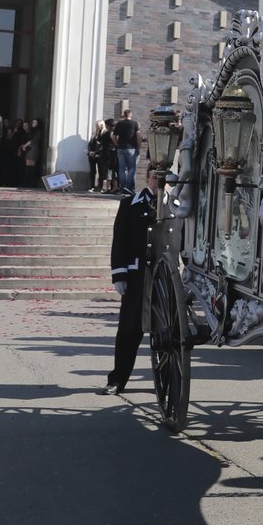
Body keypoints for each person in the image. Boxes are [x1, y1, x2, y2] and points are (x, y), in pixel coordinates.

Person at [99, 166, 159, 395]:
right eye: (155, 178)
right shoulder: (130, 204)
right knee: (128, 331)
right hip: (137, 277)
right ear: (147, 178)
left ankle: (165, 382)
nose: (158, 183)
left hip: (164, 280)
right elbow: (120, 243)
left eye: (162, 179)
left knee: (166, 335)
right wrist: (119, 275)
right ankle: (117, 379)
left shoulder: (175, 206)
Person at [111, 108, 141, 194]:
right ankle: (128, 188)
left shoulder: (119, 123)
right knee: (131, 169)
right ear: (131, 115)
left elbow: (113, 136)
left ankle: (122, 188)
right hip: (131, 148)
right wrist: (138, 147)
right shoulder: (135, 123)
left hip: (121, 148)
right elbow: (138, 136)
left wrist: (117, 144)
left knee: (121, 169)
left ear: (124, 115)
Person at [98, 118, 117, 193]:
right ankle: (111, 187)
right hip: (110, 153)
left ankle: (108, 187)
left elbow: (100, 140)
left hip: (108, 154)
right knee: (110, 171)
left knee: (108, 171)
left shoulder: (110, 132)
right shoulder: (111, 132)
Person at [88, 120, 106, 190]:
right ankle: (92, 186)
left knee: (101, 171)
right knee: (92, 171)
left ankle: (100, 186)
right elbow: (90, 144)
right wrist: (90, 152)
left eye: (97, 125)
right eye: (96, 125)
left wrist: (95, 152)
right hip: (92, 155)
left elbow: (102, 145)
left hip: (99, 155)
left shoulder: (104, 134)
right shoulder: (94, 134)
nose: (96, 127)